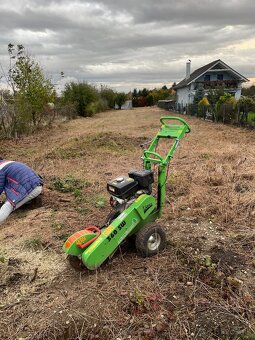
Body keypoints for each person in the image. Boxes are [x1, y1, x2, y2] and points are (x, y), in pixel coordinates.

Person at [0, 159, 43, 224]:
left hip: (31, 188)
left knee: (8, 206)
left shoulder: (1, 168)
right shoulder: (7, 163)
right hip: (35, 184)